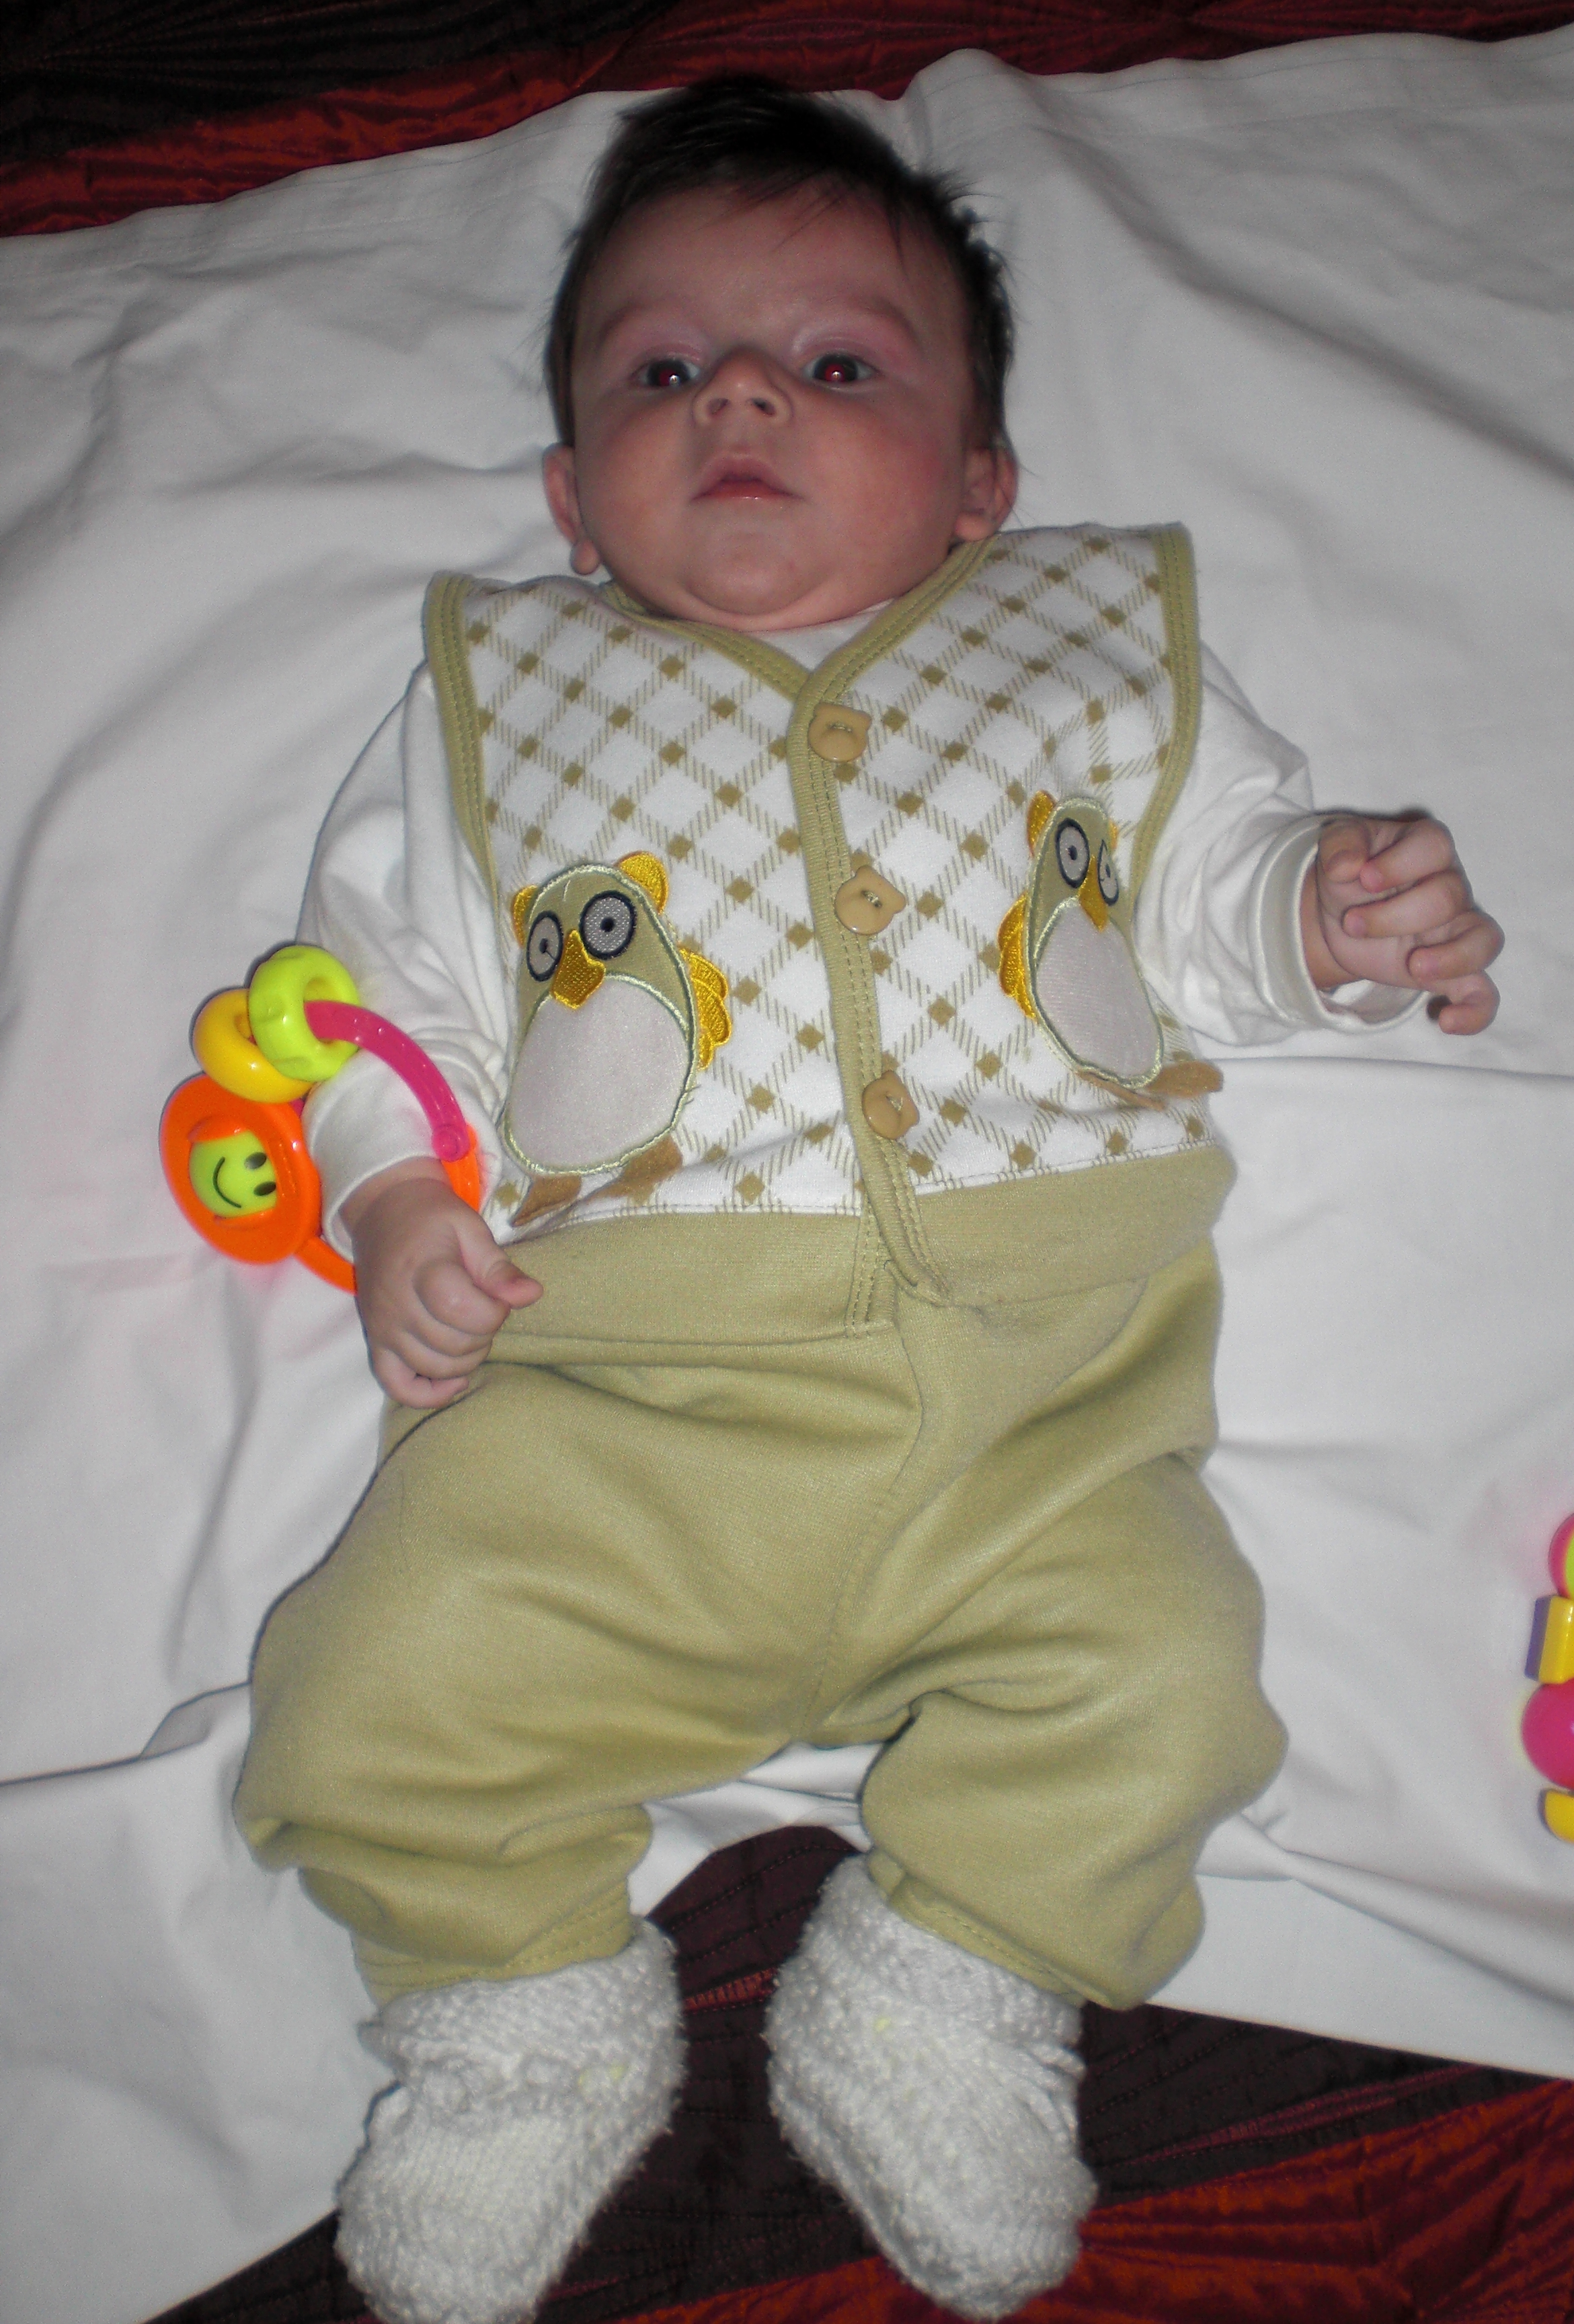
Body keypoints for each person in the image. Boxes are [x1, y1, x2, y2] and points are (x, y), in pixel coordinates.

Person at [235, 76, 1503, 2324]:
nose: (737, 396)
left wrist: (1336, 913)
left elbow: (1215, 898)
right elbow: (374, 995)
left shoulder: (1090, 658)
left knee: (1176, 1677)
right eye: (660, 369)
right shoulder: (506, 698)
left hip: (1048, 1428)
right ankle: (516, 2014)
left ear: (979, 482)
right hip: (623, 1429)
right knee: (365, 1690)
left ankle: (952, 1974)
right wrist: (393, 1193)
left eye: (835, 363)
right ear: (569, 492)